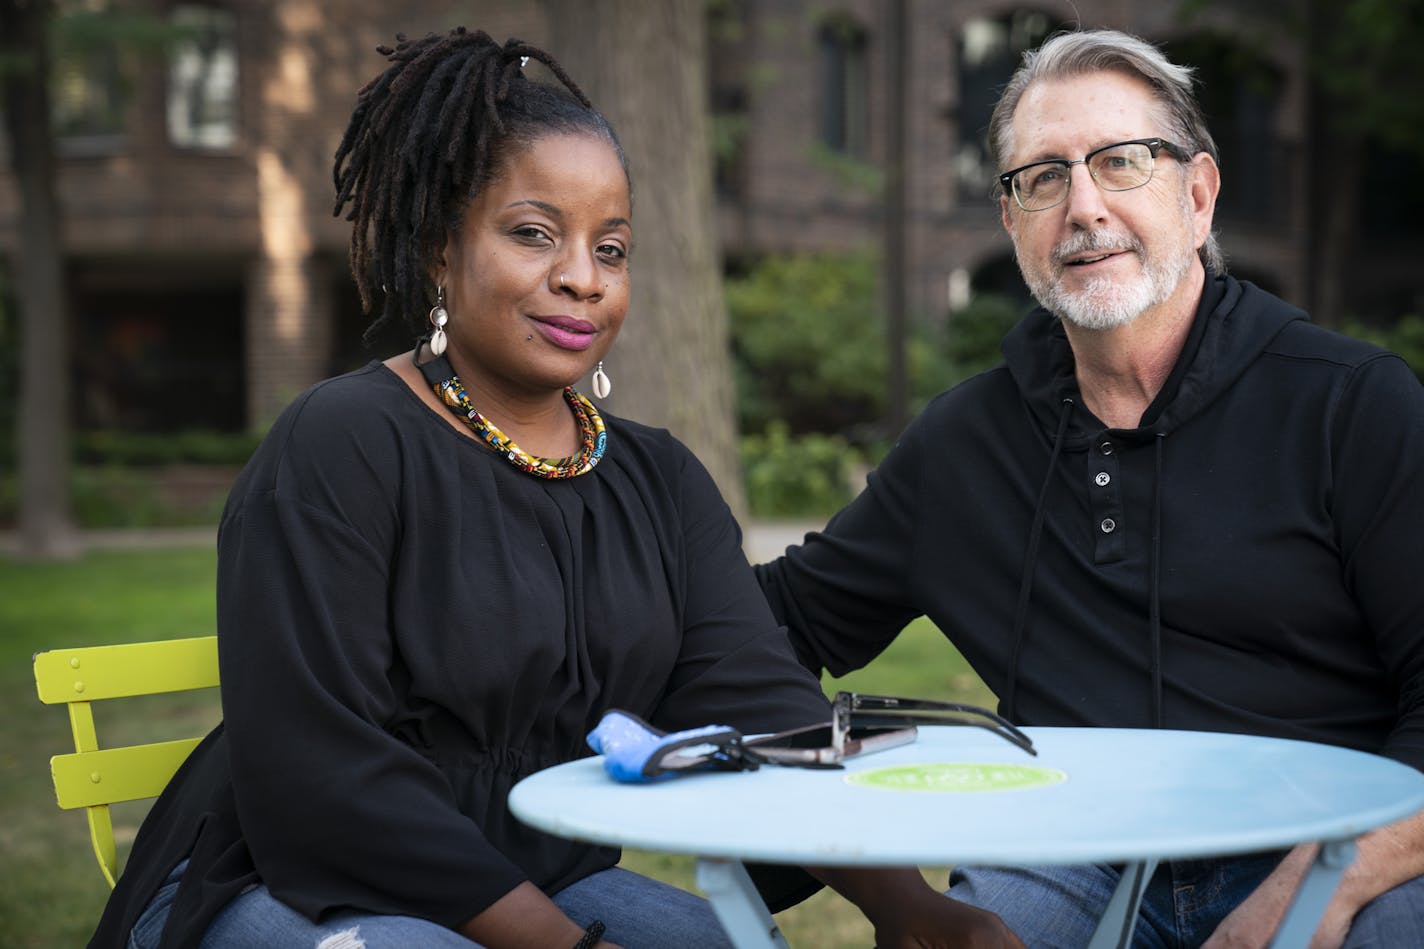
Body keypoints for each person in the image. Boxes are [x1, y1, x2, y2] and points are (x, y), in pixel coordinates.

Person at [87, 27, 1020, 949]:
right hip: (295, 881)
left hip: (535, 882)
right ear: (441, 250)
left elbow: (766, 710)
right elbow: (322, 772)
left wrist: (904, 904)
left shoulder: (657, 479)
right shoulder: (341, 445)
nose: (581, 278)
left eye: (610, 249)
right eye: (534, 234)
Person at [755, 27, 1424, 949]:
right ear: (1010, 222)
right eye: (1042, 178)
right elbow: (762, 625)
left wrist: (1323, 879)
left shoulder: (1352, 404)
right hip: (1066, 846)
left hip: (1332, 835)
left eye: (1119, 163)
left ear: (1197, 193)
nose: (1082, 207)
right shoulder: (962, 446)